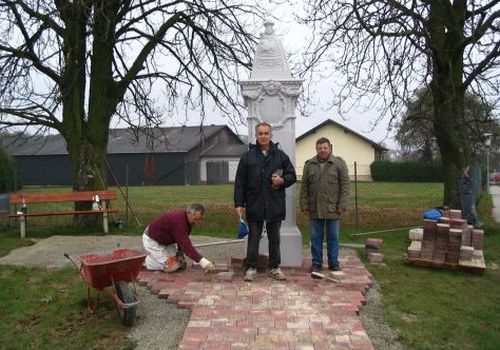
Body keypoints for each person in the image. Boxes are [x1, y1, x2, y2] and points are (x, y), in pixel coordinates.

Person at [234, 122, 297, 281]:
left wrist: (282, 180)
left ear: (271, 135)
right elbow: (240, 182)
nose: (263, 136)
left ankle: (274, 267)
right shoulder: (247, 157)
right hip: (254, 204)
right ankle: (251, 267)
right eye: (260, 133)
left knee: (274, 240)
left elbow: (292, 176)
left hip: (275, 204)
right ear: (256, 136)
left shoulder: (281, 155)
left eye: (266, 133)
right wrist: (239, 204)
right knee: (253, 239)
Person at [300, 137, 350, 277]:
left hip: (333, 208)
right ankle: (317, 263)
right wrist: (303, 203)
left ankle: (333, 263)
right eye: (320, 148)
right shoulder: (309, 165)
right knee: (315, 237)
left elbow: (345, 186)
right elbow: (304, 187)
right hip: (315, 207)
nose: (322, 150)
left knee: (333, 237)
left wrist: (342, 204)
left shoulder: (339, 164)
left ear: (330, 148)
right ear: (316, 149)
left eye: (325, 148)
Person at [142, 203, 215, 273]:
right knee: (169, 267)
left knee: (179, 264)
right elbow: (186, 245)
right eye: (195, 219)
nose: (197, 223)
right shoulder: (179, 222)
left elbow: (182, 238)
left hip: (165, 242)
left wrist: (180, 254)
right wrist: (202, 261)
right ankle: (146, 261)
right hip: (152, 240)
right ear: (189, 213)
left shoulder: (187, 220)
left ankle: (155, 258)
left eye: (199, 220)